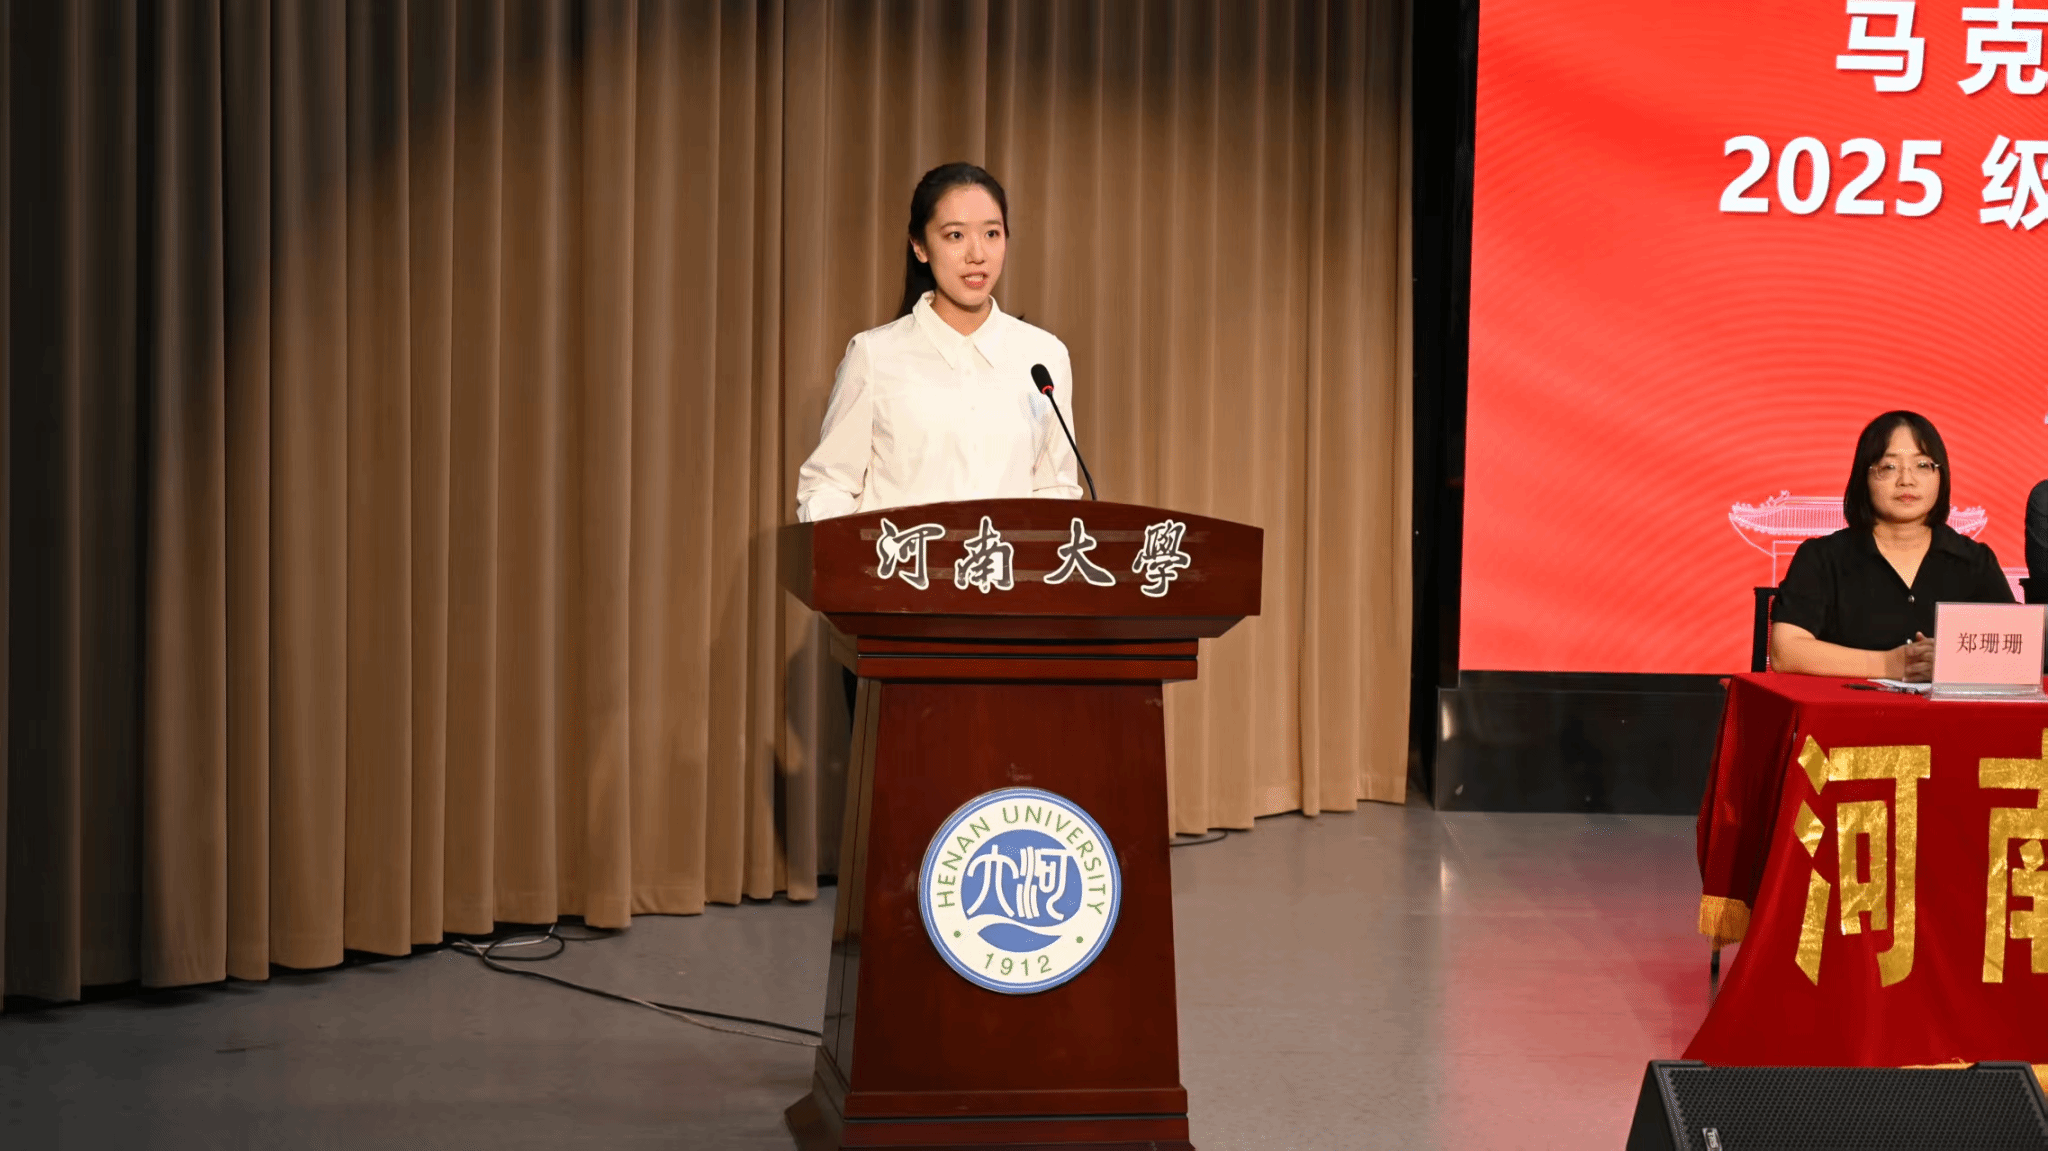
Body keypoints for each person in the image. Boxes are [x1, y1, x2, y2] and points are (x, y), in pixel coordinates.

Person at [794, 162, 1084, 523]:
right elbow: (828, 485)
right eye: (956, 235)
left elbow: (1056, 491)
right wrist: (852, 550)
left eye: (992, 233)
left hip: (1005, 561)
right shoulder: (875, 356)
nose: (977, 254)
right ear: (920, 246)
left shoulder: (1044, 357)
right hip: (904, 561)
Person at [1770, 411, 2014, 681]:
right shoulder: (1821, 558)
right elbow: (1785, 652)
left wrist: (1954, 663)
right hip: (1850, 708)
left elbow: (2016, 652)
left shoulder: (1975, 561)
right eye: (1888, 467)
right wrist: (1888, 665)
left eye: (1923, 465)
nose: (1906, 480)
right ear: (1863, 477)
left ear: (1941, 475)